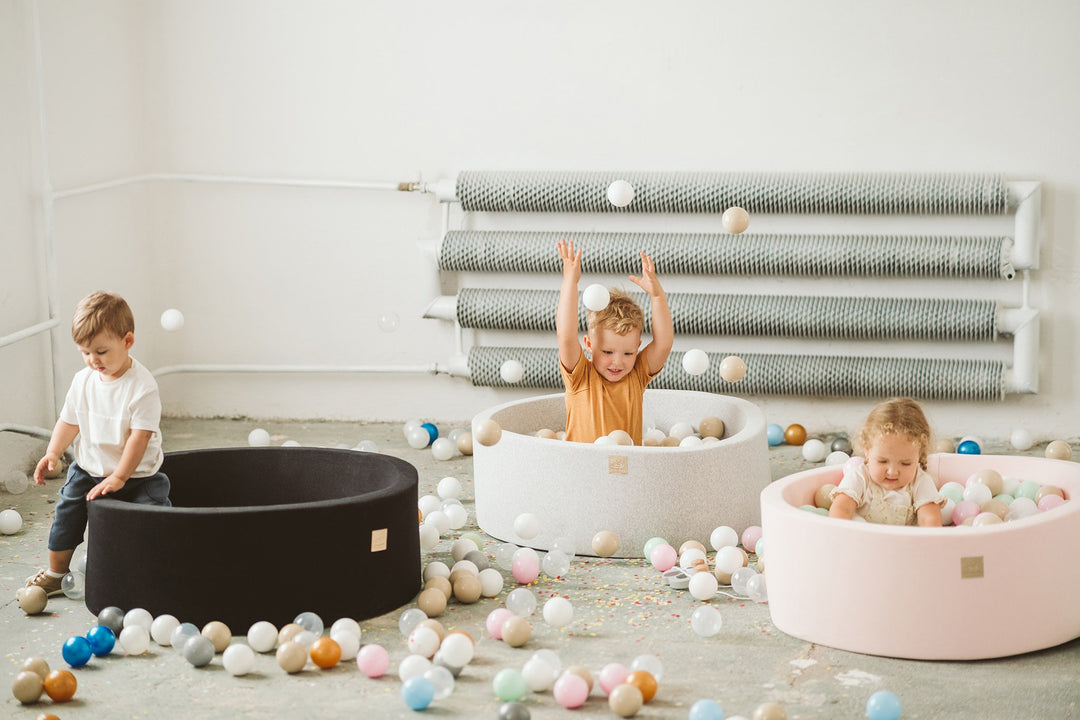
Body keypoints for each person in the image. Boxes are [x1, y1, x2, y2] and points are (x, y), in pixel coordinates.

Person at [24, 291, 171, 596]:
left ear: (127, 342)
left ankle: (157, 570)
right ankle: (56, 573)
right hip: (89, 467)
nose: (93, 360)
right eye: (85, 352)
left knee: (153, 519)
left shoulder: (142, 387)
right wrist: (53, 451)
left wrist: (120, 476)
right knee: (66, 513)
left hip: (138, 474)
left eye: (101, 352)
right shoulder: (84, 381)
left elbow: (139, 438)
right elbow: (69, 420)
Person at [556, 238, 674, 444]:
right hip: (583, 469)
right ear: (589, 344)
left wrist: (657, 296)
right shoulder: (581, 377)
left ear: (638, 348)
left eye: (628, 353)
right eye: (608, 352)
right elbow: (566, 336)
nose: (618, 362)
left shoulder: (636, 375)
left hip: (627, 472)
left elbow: (663, 344)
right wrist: (570, 281)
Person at [828, 397, 944, 526]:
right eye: (883, 461)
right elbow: (841, 509)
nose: (892, 472)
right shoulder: (860, 477)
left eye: (905, 463)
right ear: (867, 451)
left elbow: (929, 519)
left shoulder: (921, 481)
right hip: (863, 541)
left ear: (919, 455)